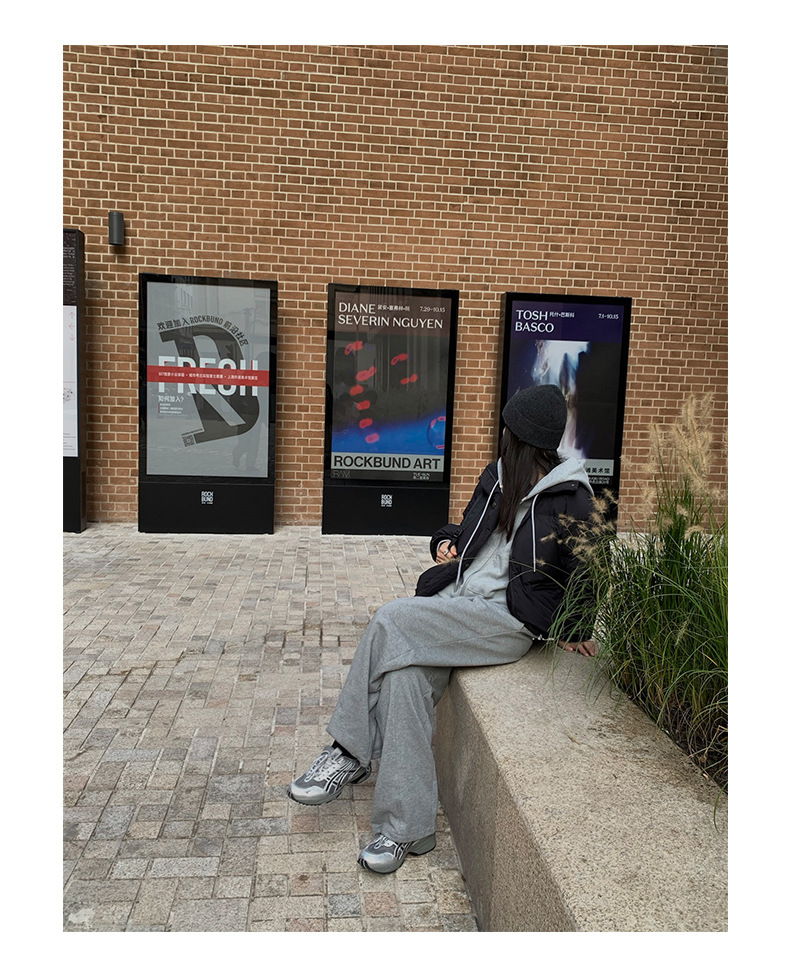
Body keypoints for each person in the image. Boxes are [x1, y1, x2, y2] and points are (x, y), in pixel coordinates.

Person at [288, 384, 598, 873]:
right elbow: (468, 531)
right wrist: (443, 543)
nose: (501, 438)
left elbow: (587, 569)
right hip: (456, 602)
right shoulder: (497, 478)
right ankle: (407, 830)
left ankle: (348, 751)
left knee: (391, 618)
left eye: (508, 432)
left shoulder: (572, 497)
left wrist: (576, 626)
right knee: (403, 680)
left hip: (505, 619)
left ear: (522, 440)